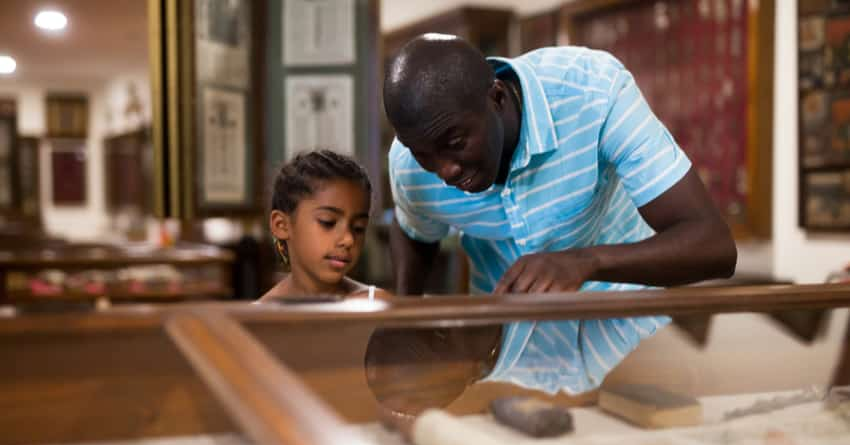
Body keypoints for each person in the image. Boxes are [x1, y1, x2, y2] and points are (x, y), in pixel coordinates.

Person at [367, 34, 737, 414]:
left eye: (456, 142)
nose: (444, 170)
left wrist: (583, 261)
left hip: (629, 348)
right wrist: (405, 316)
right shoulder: (411, 164)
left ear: (496, 98)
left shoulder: (593, 92)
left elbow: (713, 246)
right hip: (510, 368)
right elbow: (414, 229)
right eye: (424, 155)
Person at [257, 150, 389, 302]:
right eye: (328, 222)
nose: (348, 239)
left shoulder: (378, 305)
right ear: (282, 225)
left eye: (358, 228)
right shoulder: (255, 319)